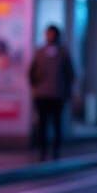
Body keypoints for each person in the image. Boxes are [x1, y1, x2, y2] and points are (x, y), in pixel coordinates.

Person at [28, 25, 75, 161]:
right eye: (48, 33)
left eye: (52, 34)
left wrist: (67, 91)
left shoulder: (63, 53)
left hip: (57, 94)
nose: (50, 36)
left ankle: (55, 150)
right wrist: (35, 86)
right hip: (41, 94)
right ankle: (42, 151)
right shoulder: (40, 52)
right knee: (42, 123)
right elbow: (31, 72)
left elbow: (69, 73)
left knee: (56, 123)